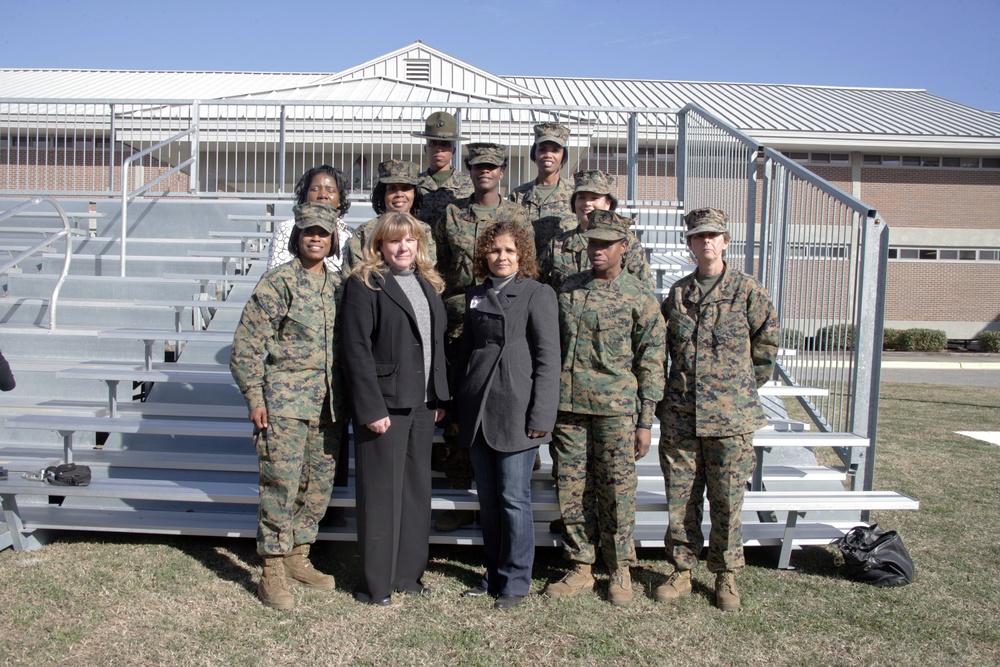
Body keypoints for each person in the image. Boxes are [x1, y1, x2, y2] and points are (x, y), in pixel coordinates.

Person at [655, 207, 779, 612]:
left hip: (732, 418)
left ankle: (726, 575)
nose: (706, 242)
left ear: (726, 241)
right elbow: (662, 351)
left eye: (714, 235)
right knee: (681, 497)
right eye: (698, 236)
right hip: (681, 415)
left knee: (727, 499)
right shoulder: (677, 294)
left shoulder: (749, 291)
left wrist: (737, 391)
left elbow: (765, 350)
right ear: (688, 244)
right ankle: (682, 570)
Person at [544, 209, 665, 606]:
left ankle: (619, 569)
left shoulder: (639, 296)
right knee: (572, 488)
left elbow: (651, 361)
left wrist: (645, 421)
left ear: (623, 247)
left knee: (617, 491)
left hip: (616, 410)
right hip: (570, 407)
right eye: (592, 242)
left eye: (605, 243)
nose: (596, 249)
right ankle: (580, 563)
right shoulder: (569, 289)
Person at [230, 202, 344, 611]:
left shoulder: (340, 286)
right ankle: (272, 569)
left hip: (329, 407)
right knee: (280, 487)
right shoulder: (278, 283)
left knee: (316, 487)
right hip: (283, 405)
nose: (316, 238)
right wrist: (254, 397)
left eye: (323, 233)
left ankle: (299, 555)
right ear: (297, 237)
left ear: (333, 241)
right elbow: (246, 347)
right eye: (309, 232)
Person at [340, 211, 450, 606]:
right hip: (384, 405)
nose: (403, 247)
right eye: (394, 241)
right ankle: (376, 584)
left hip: (421, 405)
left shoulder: (428, 283)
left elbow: (433, 345)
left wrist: (436, 398)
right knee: (381, 495)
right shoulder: (366, 283)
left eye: (410, 240)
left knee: (416, 492)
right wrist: (370, 407)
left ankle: (408, 576)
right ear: (380, 246)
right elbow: (355, 349)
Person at [455, 220, 560, 611]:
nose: (501, 257)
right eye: (495, 250)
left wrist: (542, 415)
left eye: (510, 251)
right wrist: (460, 403)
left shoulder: (537, 293)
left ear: (523, 256)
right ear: (485, 253)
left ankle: (516, 581)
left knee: (514, 498)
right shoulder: (475, 295)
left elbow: (549, 359)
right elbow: (466, 351)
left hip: (517, 410)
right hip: (478, 409)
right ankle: (493, 574)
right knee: (488, 500)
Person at [433, 142, 534, 532]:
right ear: (469, 171)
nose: (484, 172)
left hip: (505, 322)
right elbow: (441, 266)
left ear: (502, 171)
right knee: (462, 408)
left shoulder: (517, 216)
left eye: (491, 166)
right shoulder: (453, 214)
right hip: (462, 319)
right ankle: (462, 497)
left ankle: (510, 488)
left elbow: (526, 268)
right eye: (477, 167)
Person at [540, 170, 651, 291]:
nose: (587, 203)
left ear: (608, 204)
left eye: (595, 198)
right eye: (582, 198)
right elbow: (540, 285)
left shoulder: (625, 241)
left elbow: (644, 287)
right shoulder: (558, 244)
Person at [344, 159, 435, 270]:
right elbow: (354, 274)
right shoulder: (366, 231)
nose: (399, 194)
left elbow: (428, 271)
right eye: (392, 189)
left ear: (415, 194)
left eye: (405, 188)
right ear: (383, 193)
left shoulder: (424, 230)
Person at [266, 165, 352, 274]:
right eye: (315, 189)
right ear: (305, 195)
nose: (323, 195)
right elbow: (275, 275)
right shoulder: (286, 229)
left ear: (340, 200)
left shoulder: (350, 234)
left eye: (330, 190)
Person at [508, 122, 576, 259]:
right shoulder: (519, 195)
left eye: (555, 150)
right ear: (535, 152)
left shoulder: (575, 194)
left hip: (562, 274)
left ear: (563, 155)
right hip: (527, 274)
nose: (548, 155)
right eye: (542, 149)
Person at [411, 111, 474, 229]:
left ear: (453, 151)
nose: (438, 149)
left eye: (445, 144)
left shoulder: (469, 184)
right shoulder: (413, 184)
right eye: (433, 143)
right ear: (426, 149)